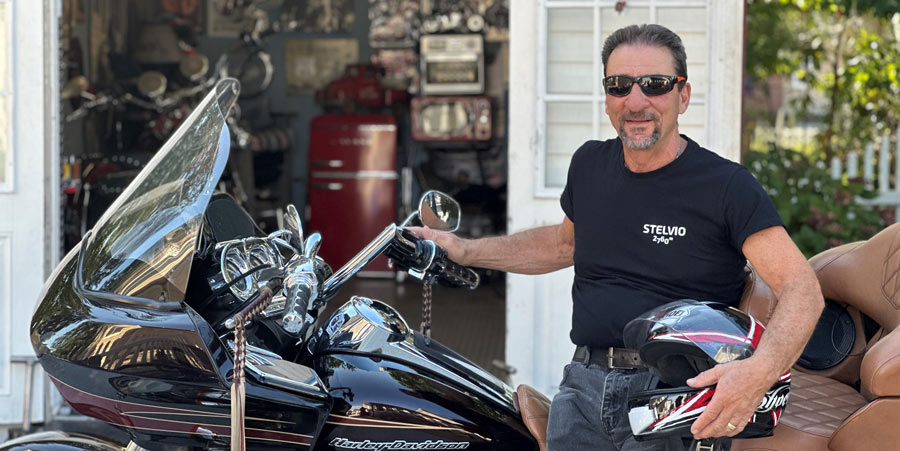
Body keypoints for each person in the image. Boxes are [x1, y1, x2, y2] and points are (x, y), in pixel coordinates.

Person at [411, 24, 824, 450]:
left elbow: (802, 289)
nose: (636, 101)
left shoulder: (726, 186)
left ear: (683, 96)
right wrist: (463, 250)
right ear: (607, 97)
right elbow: (563, 245)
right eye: (619, 85)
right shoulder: (589, 165)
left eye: (655, 84)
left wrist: (757, 373)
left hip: (676, 395)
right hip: (582, 389)